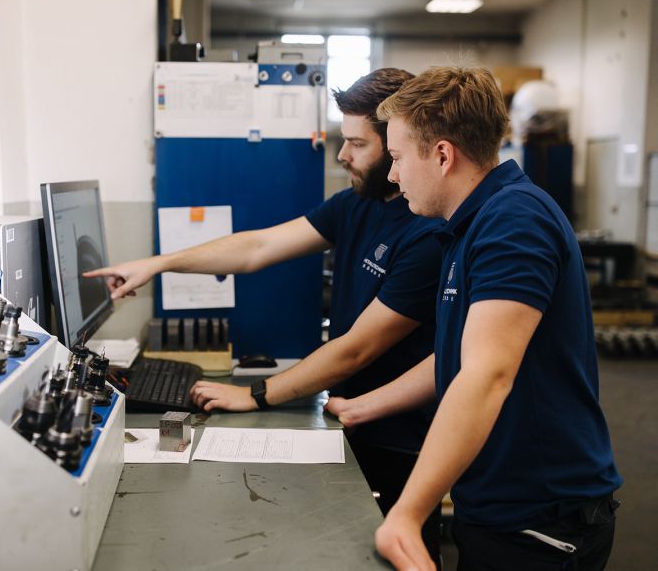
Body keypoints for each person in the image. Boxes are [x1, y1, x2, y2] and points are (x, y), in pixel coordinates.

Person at [84, 68, 444, 564]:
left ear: (396, 141)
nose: (342, 155)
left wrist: (254, 395)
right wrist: (159, 264)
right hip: (349, 422)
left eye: (357, 144)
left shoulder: (426, 233)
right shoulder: (356, 205)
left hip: (399, 442)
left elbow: (357, 348)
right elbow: (257, 247)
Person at [326, 66, 622, 571]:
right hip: (495, 504)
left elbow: (486, 374)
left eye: (397, 158)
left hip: (538, 520)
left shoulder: (514, 223)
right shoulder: (470, 224)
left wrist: (407, 512)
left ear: (442, 155)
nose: (392, 176)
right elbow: (457, 357)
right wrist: (363, 407)